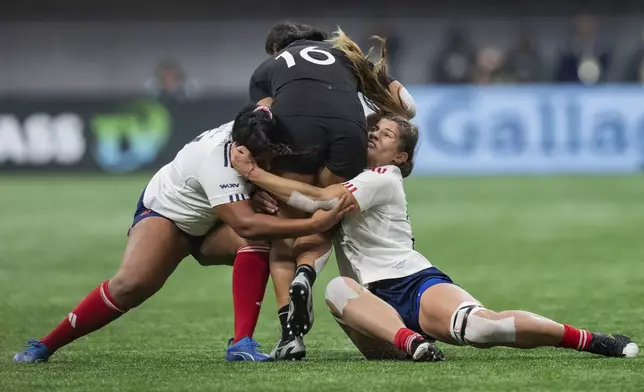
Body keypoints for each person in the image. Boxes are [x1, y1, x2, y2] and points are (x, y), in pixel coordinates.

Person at [230, 115, 640, 361]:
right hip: (372, 309)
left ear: (400, 158)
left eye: (386, 135)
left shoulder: (381, 177)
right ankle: (413, 343)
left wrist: (255, 176)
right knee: (339, 288)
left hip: (411, 282)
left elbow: (320, 202)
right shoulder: (352, 175)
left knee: (483, 330)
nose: (374, 134)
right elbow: (318, 223)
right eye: (374, 129)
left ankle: (588, 340)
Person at [13, 108, 353, 364]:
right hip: (169, 215)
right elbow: (247, 224)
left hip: (209, 221)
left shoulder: (252, 129)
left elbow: (265, 103)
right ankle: (46, 345)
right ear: (240, 149)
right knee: (130, 285)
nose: (265, 164)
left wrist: (253, 186)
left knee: (260, 240)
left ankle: (241, 343)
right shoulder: (217, 162)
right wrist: (311, 226)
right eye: (259, 160)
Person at [249, 23, 415, 359]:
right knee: (325, 214)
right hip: (347, 128)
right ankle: (306, 274)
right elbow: (407, 106)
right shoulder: (346, 52)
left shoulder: (269, 66)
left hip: (292, 125)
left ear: (276, 49)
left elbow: (259, 122)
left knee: (287, 229)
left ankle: (289, 335)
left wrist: (257, 179)